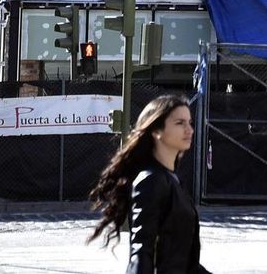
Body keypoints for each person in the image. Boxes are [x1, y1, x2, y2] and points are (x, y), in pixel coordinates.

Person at [89, 95, 213, 274]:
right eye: (180, 123)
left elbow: (185, 261)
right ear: (156, 131)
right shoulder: (151, 181)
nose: (190, 130)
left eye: (190, 122)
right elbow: (141, 252)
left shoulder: (172, 180)